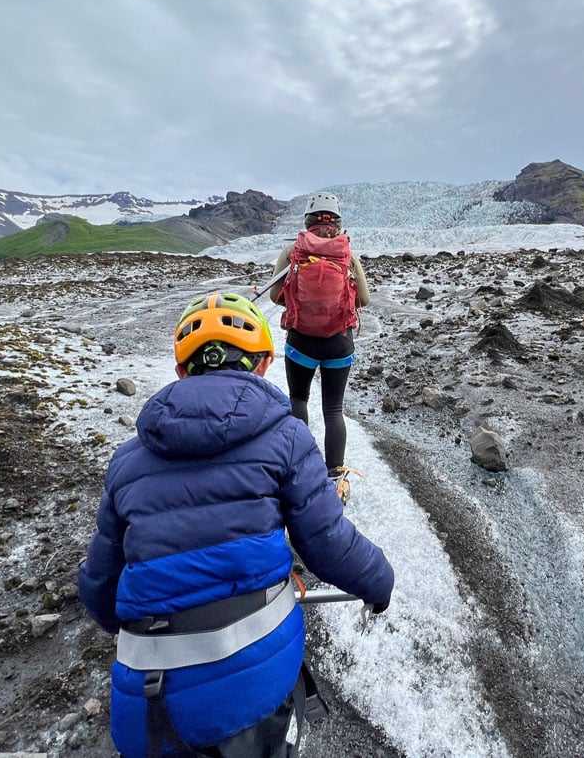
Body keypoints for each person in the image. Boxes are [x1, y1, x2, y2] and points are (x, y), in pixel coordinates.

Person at [77, 291, 394, 758]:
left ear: (182, 371)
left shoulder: (127, 461)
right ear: (264, 363)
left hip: (146, 699)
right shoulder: (287, 437)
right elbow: (328, 546)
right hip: (252, 683)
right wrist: (379, 582)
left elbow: (100, 589)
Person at [269, 192, 370, 503]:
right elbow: (364, 300)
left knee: (299, 401)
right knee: (333, 410)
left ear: (308, 220)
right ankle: (335, 478)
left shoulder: (292, 251)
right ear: (337, 222)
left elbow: (275, 296)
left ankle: (299, 469)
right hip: (339, 344)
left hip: (300, 342)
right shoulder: (347, 254)